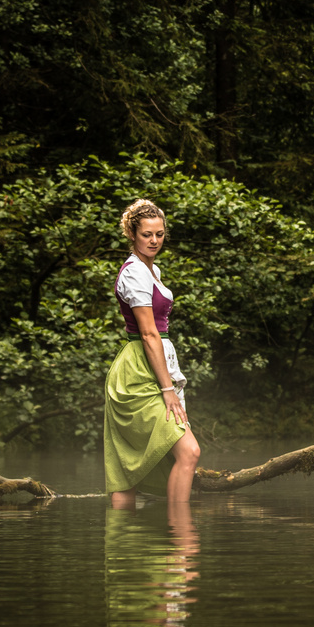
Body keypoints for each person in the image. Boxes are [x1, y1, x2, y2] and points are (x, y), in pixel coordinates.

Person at [105, 198, 201, 509]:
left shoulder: (152, 269)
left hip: (156, 361)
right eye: (147, 234)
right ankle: (179, 541)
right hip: (140, 369)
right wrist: (167, 389)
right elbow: (148, 333)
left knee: (173, 454)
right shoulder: (135, 272)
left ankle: (163, 546)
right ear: (131, 234)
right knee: (188, 451)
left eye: (159, 234)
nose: (154, 241)